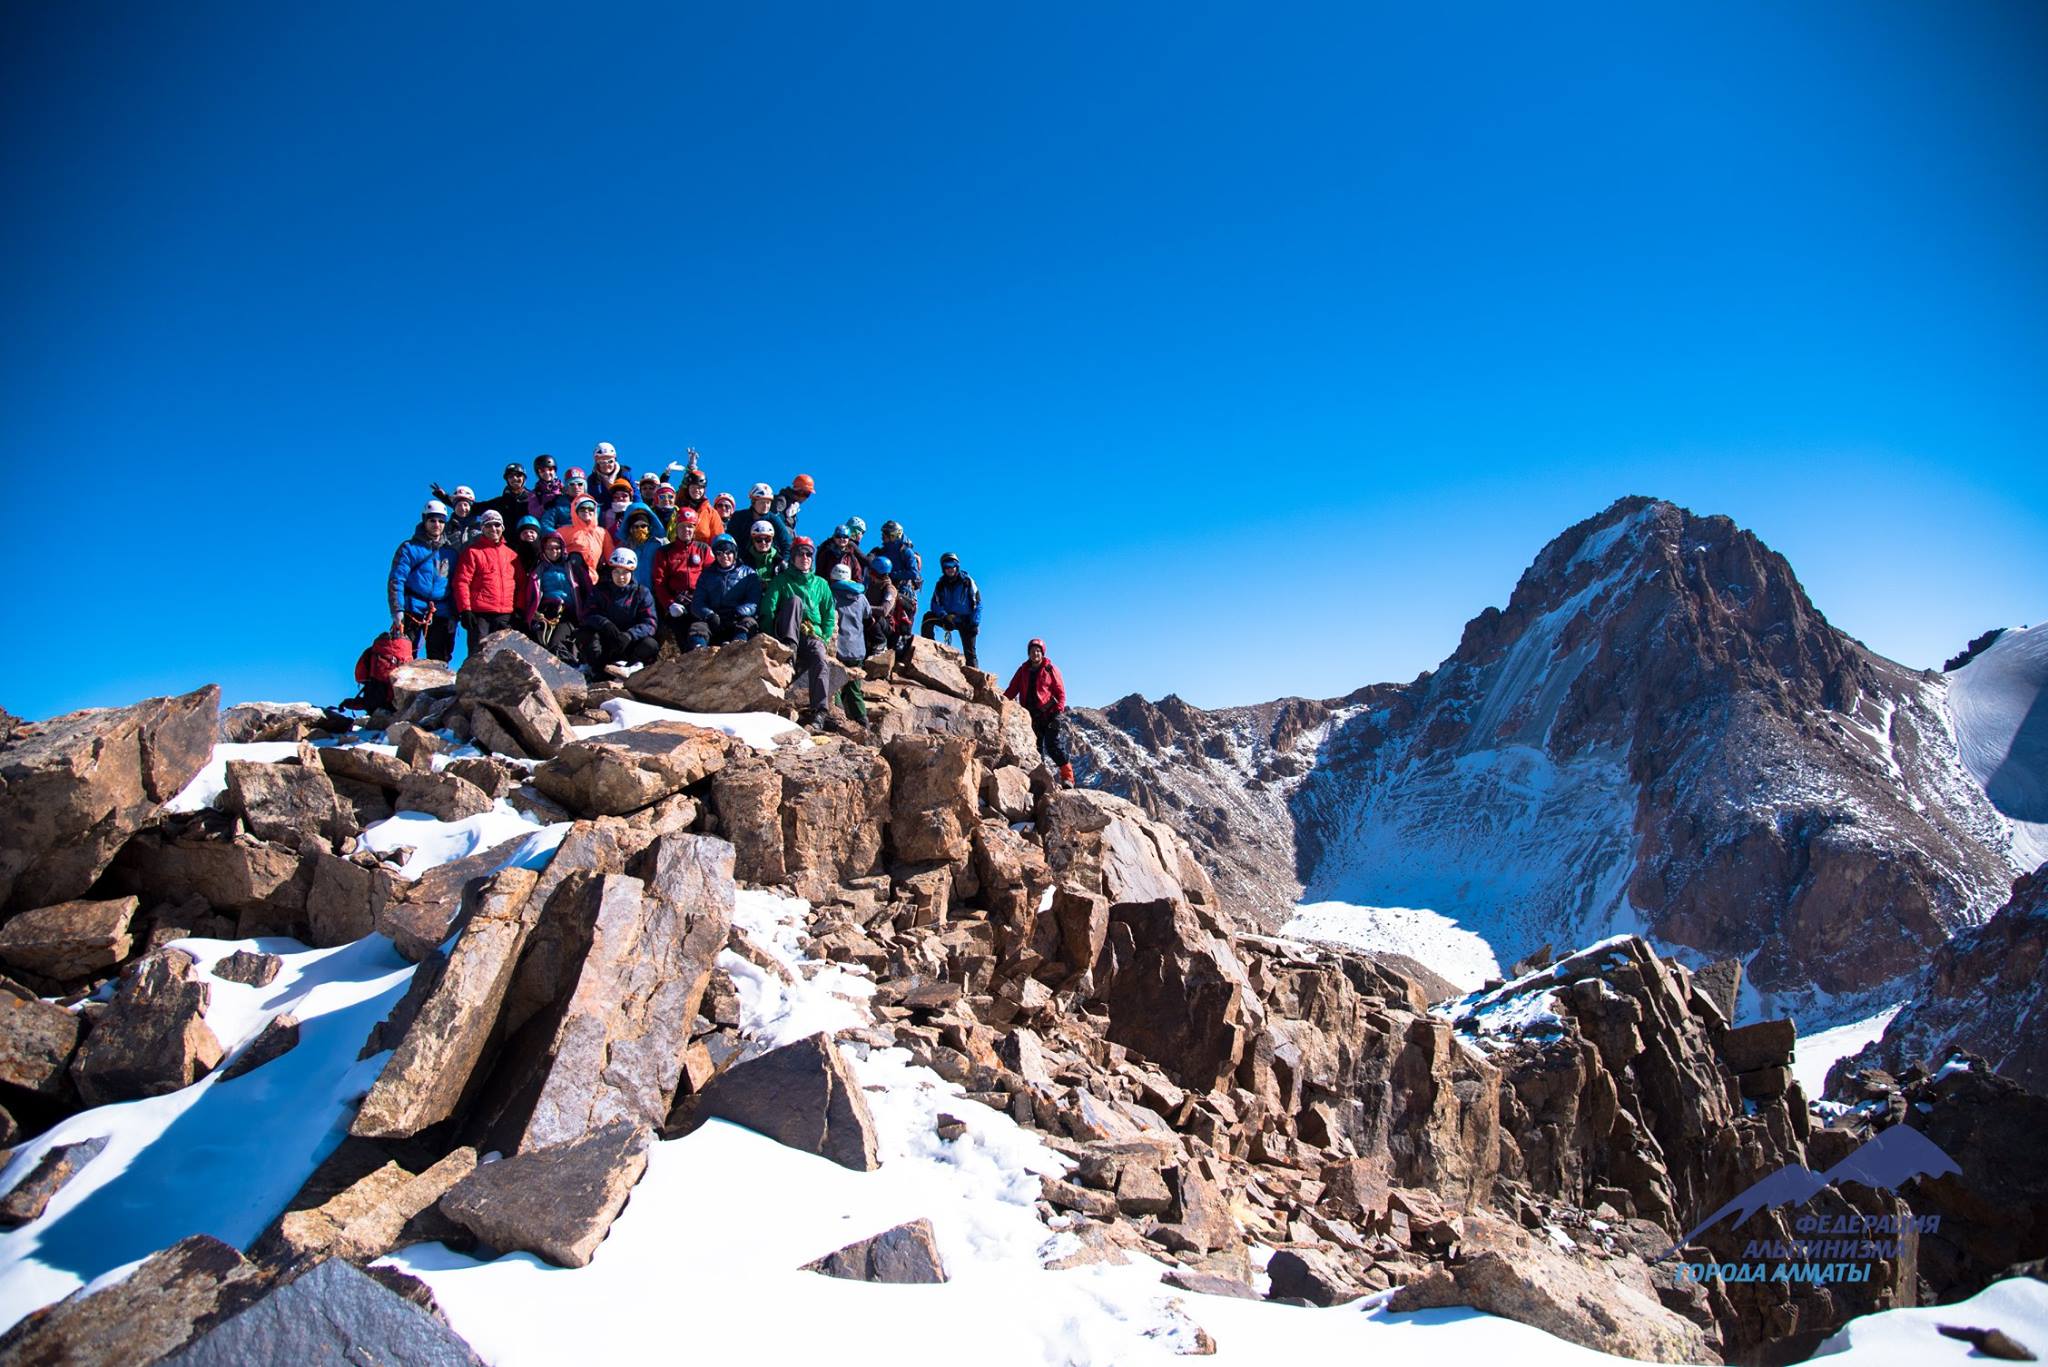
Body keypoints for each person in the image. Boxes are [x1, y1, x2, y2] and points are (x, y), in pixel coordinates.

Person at [758, 537, 836, 727]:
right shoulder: (782, 580)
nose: (805, 557)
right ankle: (790, 653)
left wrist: (824, 638)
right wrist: (769, 638)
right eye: (800, 553)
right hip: (785, 633)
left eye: (809, 553)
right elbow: (768, 610)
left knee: (819, 658)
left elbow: (829, 615)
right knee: (795, 601)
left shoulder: (821, 584)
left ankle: (820, 712)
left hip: (811, 634)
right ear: (792, 557)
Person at [388, 499, 456, 662]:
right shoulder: (409, 548)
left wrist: (454, 615)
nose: (437, 525)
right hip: (412, 610)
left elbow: (454, 584)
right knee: (405, 656)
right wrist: (398, 610)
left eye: (441, 521)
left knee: (440, 659)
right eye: (432, 520)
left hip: (442, 611)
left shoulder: (451, 553)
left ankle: (439, 688)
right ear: (424, 520)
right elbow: (396, 580)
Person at [578, 548, 660, 674]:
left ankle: (630, 669)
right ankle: (597, 670)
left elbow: (650, 623)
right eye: (616, 572)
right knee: (586, 635)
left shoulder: (642, 593)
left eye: (625, 573)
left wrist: (630, 635)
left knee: (650, 644)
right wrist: (605, 624)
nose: (620, 577)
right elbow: (587, 614)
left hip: (629, 643)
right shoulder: (600, 590)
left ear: (632, 573)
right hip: (606, 641)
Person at [1004, 638, 1072, 785]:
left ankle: (1068, 778)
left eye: (1038, 651)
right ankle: (1039, 781)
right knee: (1036, 749)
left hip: (1050, 714)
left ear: (1042, 653)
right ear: (1028, 653)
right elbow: (1012, 689)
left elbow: (1061, 693)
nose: (1035, 653)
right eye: (1032, 651)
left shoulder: (1050, 669)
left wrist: (1058, 713)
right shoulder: (1023, 670)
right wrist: (1001, 701)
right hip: (1031, 716)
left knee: (1053, 745)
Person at [453, 509, 519, 657]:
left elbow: (521, 584)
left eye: (497, 525)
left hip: (505, 614)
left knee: (503, 658)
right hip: (480, 614)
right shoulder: (473, 552)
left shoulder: (512, 555)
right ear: (482, 528)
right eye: (488, 525)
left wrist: (519, 608)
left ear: (502, 528)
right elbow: (461, 581)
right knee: (479, 656)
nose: (493, 529)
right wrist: (465, 609)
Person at [687, 533, 759, 650]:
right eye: (719, 553)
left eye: (728, 552)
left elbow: (753, 601)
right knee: (698, 627)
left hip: (737, 619)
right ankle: (699, 653)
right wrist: (709, 615)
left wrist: (739, 612)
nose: (724, 556)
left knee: (749, 623)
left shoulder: (749, 574)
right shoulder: (707, 575)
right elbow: (697, 602)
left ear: (735, 553)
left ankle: (737, 647)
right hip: (715, 620)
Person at [653, 508, 713, 647]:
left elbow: (712, 578)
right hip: (676, 603)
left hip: (699, 601)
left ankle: (699, 651)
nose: (687, 530)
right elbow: (659, 582)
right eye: (683, 526)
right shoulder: (664, 552)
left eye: (690, 526)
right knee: (680, 636)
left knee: (699, 631)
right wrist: (669, 604)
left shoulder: (703, 549)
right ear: (676, 527)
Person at [920, 552, 982, 667]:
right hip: (949, 619)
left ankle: (975, 679)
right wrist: (944, 616)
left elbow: (978, 603)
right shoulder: (940, 584)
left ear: (957, 565)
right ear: (943, 568)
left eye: (952, 564)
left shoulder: (967, 581)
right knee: (927, 618)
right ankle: (929, 650)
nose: (950, 569)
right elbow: (934, 604)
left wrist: (974, 623)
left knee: (970, 653)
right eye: (946, 566)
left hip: (966, 621)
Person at [827, 563, 869, 725]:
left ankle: (837, 719)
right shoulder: (860, 596)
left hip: (839, 649)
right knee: (854, 688)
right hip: (857, 649)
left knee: (835, 686)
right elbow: (867, 614)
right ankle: (862, 720)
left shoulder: (831, 594)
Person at [531, 530, 592, 622]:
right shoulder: (538, 569)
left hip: (570, 612)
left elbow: (587, 587)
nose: (554, 551)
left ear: (562, 548)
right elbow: (531, 594)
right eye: (549, 547)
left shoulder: (571, 566)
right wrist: (534, 612)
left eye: (557, 547)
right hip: (547, 610)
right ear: (544, 549)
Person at [349, 626, 414, 713]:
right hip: (401, 702)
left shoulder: (375, 648)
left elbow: (360, 676)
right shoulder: (407, 649)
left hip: (376, 700)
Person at [608, 504, 666, 597]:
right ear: (630, 528)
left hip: (656, 593)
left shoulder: (660, 543)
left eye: (643, 526)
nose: (640, 529)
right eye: (636, 526)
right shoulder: (624, 546)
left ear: (649, 527)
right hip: (633, 594)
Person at [737, 483, 791, 563]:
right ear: (753, 502)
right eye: (762, 502)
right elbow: (732, 540)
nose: (766, 506)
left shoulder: (775, 520)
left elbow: (787, 543)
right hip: (743, 561)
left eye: (768, 502)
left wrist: (784, 561)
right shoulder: (739, 517)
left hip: (769, 563)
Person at [524, 594, 580, 666]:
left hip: (569, 614)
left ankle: (571, 669)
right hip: (544, 610)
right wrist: (532, 611)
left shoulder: (578, 584)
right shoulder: (535, 583)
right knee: (540, 642)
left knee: (556, 645)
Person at [862, 553, 900, 656]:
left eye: (872, 571)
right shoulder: (872, 584)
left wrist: (865, 607)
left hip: (886, 624)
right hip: (870, 616)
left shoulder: (889, 589)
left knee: (872, 619)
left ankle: (880, 642)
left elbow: (884, 611)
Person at [559, 495, 607, 575]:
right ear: (576, 511)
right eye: (582, 508)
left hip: (592, 579)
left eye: (590, 509)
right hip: (569, 577)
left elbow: (610, 555)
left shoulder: (603, 532)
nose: (586, 511)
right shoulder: (562, 532)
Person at [676, 465, 723, 543]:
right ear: (688, 488)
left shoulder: (711, 513)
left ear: (704, 490)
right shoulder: (679, 505)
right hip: (679, 551)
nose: (697, 490)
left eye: (700, 487)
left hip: (702, 553)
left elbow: (718, 540)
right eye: (693, 487)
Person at [485, 462, 531, 526]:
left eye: (518, 475)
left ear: (524, 478)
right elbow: (475, 508)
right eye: (510, 476)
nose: (514, 478)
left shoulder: (535, 499)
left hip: (529, 534)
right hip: (506, 535)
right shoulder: (498, 503)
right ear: (507, 480)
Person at [443, 485, 484, 551]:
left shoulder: (482, 526)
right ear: (454, 508)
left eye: (465, 505)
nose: (462, 508)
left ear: (471, 507)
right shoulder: (447, 528)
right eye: (459, 505)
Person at [526, 454, 561, 519]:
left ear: (555, 470)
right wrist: (545, 507)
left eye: (550, 469)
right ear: (538, 473)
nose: (547, 473)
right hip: (545, 525)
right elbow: (533, 513)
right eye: (542, 471)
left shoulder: (563, 489)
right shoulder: (535, 493)